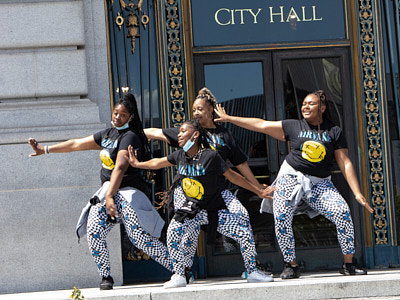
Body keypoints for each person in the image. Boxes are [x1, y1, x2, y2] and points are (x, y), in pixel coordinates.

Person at [214, 89, 374, 279]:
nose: (305, 106)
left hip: (319, 183)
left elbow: (345, 162)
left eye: (311, 104)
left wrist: (357, 192)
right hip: (290, 178)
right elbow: (262, 125)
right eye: (304, 103)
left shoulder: (334, 131)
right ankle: (291, 265)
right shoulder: (294, 126)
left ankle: (349, 263)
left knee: (342, 212)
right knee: (281, 215)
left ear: (322, 108)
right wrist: (230, 118)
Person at [28, 93, 172, 290]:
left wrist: (111, 196)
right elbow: (76, 144)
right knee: (94, 230)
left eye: (122, 115)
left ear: (130, 117)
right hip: (107, 193)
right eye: (115, 113)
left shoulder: (130, 136)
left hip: (128, 193)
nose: (117, 117)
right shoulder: (107, 135)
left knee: (139, 238)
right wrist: (44, 149)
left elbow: (120, 168)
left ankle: (179, 268)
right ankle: (106, 277)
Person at [126, 119, 275, 288]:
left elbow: (234, 176)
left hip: (211, 210)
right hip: (190, 211)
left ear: (195, 134)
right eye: (179, 132)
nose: (179, 135)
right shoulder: (180, 155)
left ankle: (253, 271)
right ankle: (179, 275)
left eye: (183, 132)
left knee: (243, 232)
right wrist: (138, 164)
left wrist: (258, 191)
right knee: (173, 233)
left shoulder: (210, 156)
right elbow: (158, 162)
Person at [144, 88, 268, 278]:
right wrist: (130, 135)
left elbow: (240, 166)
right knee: (189, 231)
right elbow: (156, 133)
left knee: (241, 214)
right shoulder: (189, 131)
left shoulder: (225, 135)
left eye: (200, 109)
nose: (196, 113)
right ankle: (184, 271)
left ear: (211, 109)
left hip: (218, 191)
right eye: (194, 110)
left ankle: (250, 264)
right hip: (189, 192)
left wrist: (258, 189)